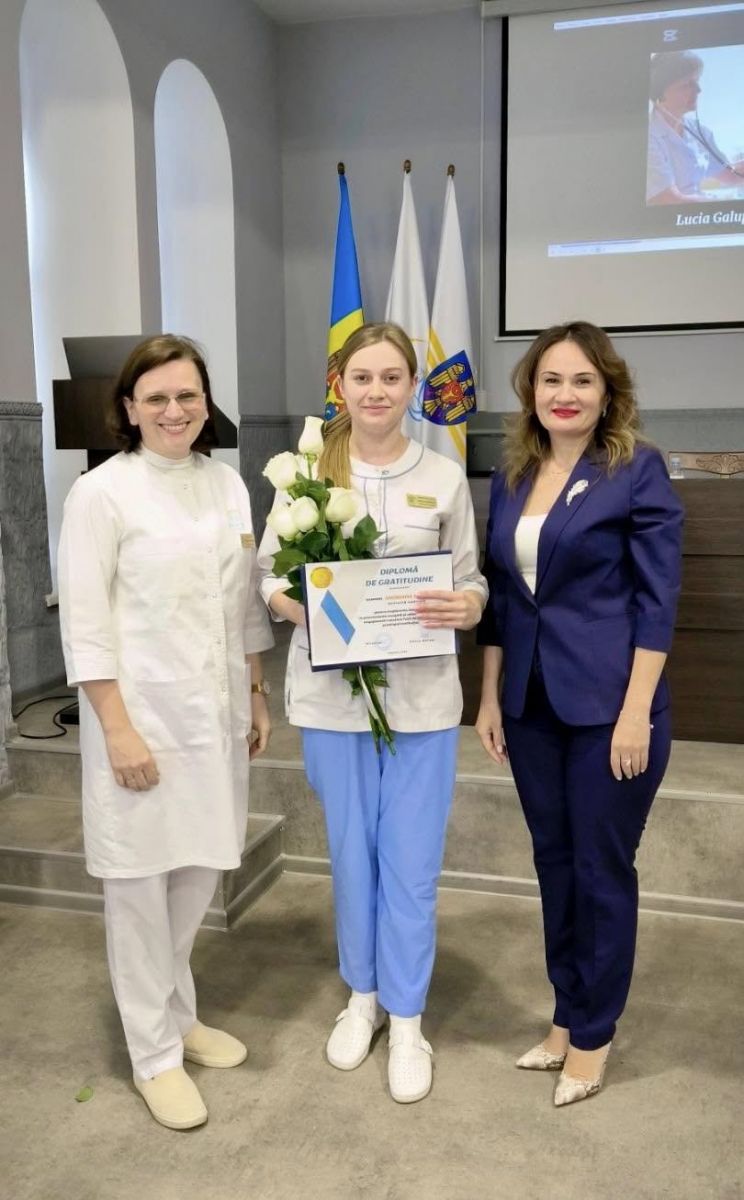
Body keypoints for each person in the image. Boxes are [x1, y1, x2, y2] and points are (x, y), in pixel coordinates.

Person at [257, 322, 487, 1104]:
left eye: (392, 377)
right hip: (333, 702)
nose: (377, 391)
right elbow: (268, 576)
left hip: (421, 702)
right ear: (340, 386)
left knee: (411, 864)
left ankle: (409, 1016)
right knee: (351, 855)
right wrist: (307, 609)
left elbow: (472, 580)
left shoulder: (443, 476)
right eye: (362, 377)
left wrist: (466, 605)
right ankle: (363, 997)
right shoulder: (306, 475)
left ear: (412, 386)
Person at [58, 334, 274, 1130]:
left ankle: (178, 1016)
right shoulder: (102, 494)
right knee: (140, 891)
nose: (174, 410)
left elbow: (242, 603)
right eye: (156, 398)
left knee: (199, 872)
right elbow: (85, 626)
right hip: (140, 720)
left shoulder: (225, 484)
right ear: (129, 408)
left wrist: (256, 691)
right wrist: (116, 730)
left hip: (214, 715)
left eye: (187, 395)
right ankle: (152, 1055)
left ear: (205, 403)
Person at [476, 321, 683, 1106]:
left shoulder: (636, 470)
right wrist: (489, 695)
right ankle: (566, 1015)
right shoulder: (513, 474)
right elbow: (503, 598)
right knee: (554, 865)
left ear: (606, 392)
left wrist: (636, 714)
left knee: (600, 871)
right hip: (531, 704)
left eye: (582, 380)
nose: (565, 394)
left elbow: (657, 602)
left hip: (610, 709)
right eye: (551, 379)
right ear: (531, 389)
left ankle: (594, 1035)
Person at [646, 49, 744, 204]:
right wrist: (725, 202)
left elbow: (730, 176)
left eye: (697, 81)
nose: (698, 90)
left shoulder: (700, 132)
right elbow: (668, 199)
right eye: (687, 84)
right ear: (660, 92)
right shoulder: (648, 137)